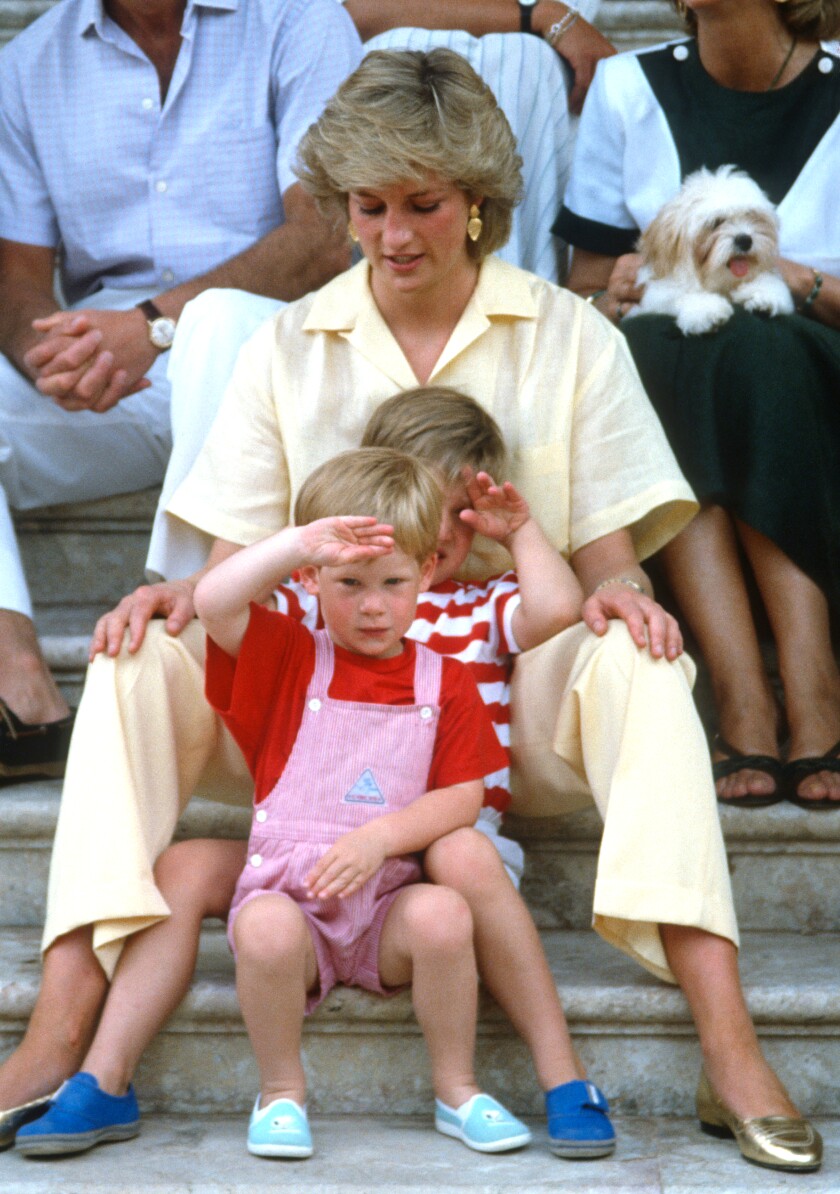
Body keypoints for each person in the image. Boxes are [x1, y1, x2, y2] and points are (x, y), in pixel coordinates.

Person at [0, 48, 821, 1174]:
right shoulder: (289, 342)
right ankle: (65, 1017)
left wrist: (631, 602)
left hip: (491, 713)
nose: (393, 236)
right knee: (139, 656)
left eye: (424, 205)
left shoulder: (569, 331)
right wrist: (169, 593)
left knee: (640, 664)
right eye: (369, 207)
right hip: (310, 720)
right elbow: (237, 573)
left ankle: (728, 1042)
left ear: (479, 204)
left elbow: (610, 561)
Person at [8, 389, 616, 1161]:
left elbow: (549, 624)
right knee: (184, 865)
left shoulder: (457, 646)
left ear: (426, 564)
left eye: (393, 579)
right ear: (317, 576)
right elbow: (219, 598)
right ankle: (104, 1075)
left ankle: (544, 1077)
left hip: (411, 865)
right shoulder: (296, 641)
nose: (372, 605)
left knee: (456, 860)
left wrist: (522, 530)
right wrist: (299, 543)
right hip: (297, 867)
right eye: (350, 580)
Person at [0, 0, 361, 780]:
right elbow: (19, 275)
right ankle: (17, 677)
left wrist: (156, 323)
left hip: (270, 369)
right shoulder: (30, 64)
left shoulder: (296, 21)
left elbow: (329, 236)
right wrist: (53, 354)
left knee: (220, 323)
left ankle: (189, 649)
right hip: (116, 380)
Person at [558, 0, 840, 810]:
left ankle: (811, 681)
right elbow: (586, 280)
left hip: (814, 360)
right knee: (658, 348)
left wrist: (798, 279)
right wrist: (613, 283)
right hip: (676, 349)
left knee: (754, 348)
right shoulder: (625, 88)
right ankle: (743, 690)